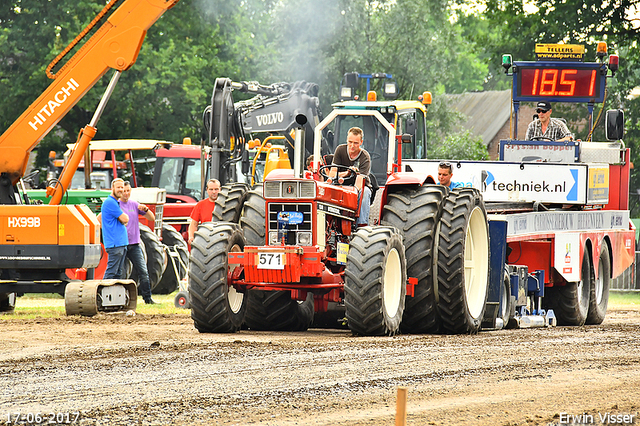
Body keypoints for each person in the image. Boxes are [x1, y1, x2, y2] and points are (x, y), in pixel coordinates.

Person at [119, 181, 157, 304]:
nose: (126, 193)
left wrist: (146, 209)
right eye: (124, 191)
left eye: (128, 190)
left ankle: (148, 298)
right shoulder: (116, 205)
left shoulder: (134, 205)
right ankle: (120, 299)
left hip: (134, 244)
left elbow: (151, 218)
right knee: (121, 272)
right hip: (121, 244)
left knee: (143, 271)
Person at [327, 127, 371, 225]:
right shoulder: (340, 150)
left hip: (358, 186)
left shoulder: (365, 157)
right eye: (350, 142)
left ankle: (361, 224)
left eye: (355, 143)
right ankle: (329, 222)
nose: (352, 146)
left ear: (361, 142)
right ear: (347, 140)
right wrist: (347, 173)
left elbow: (359, 183)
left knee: (365, 193)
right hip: (341, 184)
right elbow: (332, 174)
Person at [101, 178, 129, 279]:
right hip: (115, 244)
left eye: (122, 187)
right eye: (118, 187)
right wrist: (124, 219)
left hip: (120, 243)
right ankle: (102, 293)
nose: (120, 190)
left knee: (119, 274)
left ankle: (114, 294)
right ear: (112, 188)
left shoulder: (115, 202)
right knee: (112, 272)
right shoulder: (110, 202)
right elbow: (125, 219)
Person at [188, 178, 221, 245]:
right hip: (205, 238)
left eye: (216, 189)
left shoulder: (225, 204)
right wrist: (191, 237)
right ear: (207, 190)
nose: (214, 192)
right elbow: (194, 224)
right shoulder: (200, 205)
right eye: (211, 189)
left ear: (220, 189)